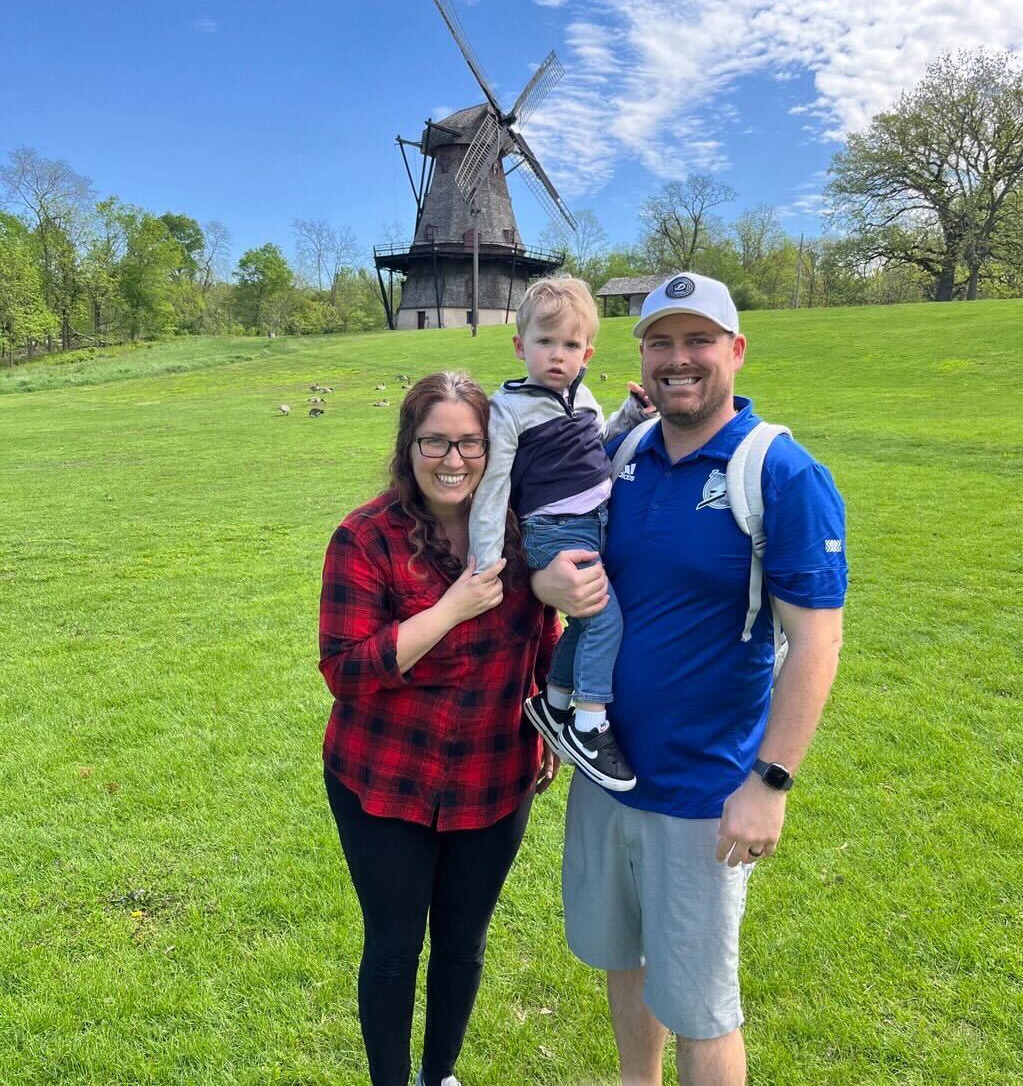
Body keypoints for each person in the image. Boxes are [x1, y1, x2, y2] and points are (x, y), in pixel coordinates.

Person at [531, 272, 848, 1086]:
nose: (679, 359)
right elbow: (563, 562)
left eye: (697, 340)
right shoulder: (624, 452)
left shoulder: (778, 471)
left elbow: (815, 643)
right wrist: (547, 588)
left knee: (703, 1009)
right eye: (660, 342)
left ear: (734, 351)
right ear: (639, 355)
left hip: (701, 793)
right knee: (622, 962)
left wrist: (769, 781)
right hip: (606, 775)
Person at [318, 372, 561, 1086]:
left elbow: (542, 635)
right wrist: (450, 608)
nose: (452, 460)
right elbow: (344, 669)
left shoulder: (520, 531)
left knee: (463, 943)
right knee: (394, 947)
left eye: (469, 443)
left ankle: (439, 1075)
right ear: (408, 445)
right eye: (434, 442)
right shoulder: (365, 538)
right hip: (384, 779)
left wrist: (545, 717)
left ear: (493, 449)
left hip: (494, 772)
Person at [468, 276, 646, 792]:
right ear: (521, 346)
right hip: (553, 528)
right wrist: (487, 560)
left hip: (594, 525)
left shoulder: (583, 395)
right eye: (545, 342)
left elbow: (599, 446)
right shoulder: (509, 409)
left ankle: (554, 700)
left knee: (589, 624)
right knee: (607, 621)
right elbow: (495, 486)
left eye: (570, 345)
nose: (557, 355)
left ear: (586, 351)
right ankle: (589, 723)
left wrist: (630, 416)